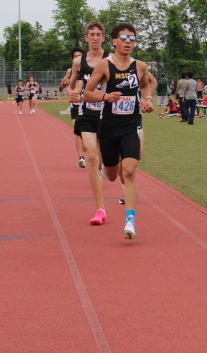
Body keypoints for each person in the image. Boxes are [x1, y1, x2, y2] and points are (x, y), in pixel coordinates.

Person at [82, 23, 156, 240]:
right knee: (113, 175)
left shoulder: (139, 66)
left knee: (130, 169)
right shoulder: (104, 66)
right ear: (114, 41)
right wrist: (105, 96)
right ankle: (108, 168)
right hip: (108, 127)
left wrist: (147, 99)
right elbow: (87, 94)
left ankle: (130, 221)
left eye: (132, 38)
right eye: (123, 38)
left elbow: (146, 85)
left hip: (130, 125)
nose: (128, 42)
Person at [68, 20, 110, 224]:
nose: (95, 38)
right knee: (92, 156)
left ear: (104, 38)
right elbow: (72, 84)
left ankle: (105, 168)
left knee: (105, 162)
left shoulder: (110, 59)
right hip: (86, 113)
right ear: (86, 38)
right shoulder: (79, 62)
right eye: (91, 34)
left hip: (107, 113)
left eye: (98, 34)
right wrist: (72, 92)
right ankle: (100, 209)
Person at [60, 47, 87, 167]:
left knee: (87, 132)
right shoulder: (70, 71)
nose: (77, 58)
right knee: (77, 130)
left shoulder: (87, 69)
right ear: (72, 58)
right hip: (75, 106)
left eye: (79, 56)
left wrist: (75, 91)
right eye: (75, 56)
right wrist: (64, 83)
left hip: (86, 105)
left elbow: (81, 86)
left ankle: (86, 143)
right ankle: (81, 158)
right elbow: (63, 85)